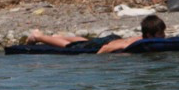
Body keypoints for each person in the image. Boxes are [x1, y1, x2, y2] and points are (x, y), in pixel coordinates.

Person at [27, 14, 166, 54]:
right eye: (161, 33)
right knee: (74, 46)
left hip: (112, 38)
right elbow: (105, 49)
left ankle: (56, 38)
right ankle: (38, 36)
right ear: (149, 35)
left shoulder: (142, 39)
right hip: (110, 43)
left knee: (84, 41)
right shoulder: (132, 43)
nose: (164, 36)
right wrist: (95, 58)